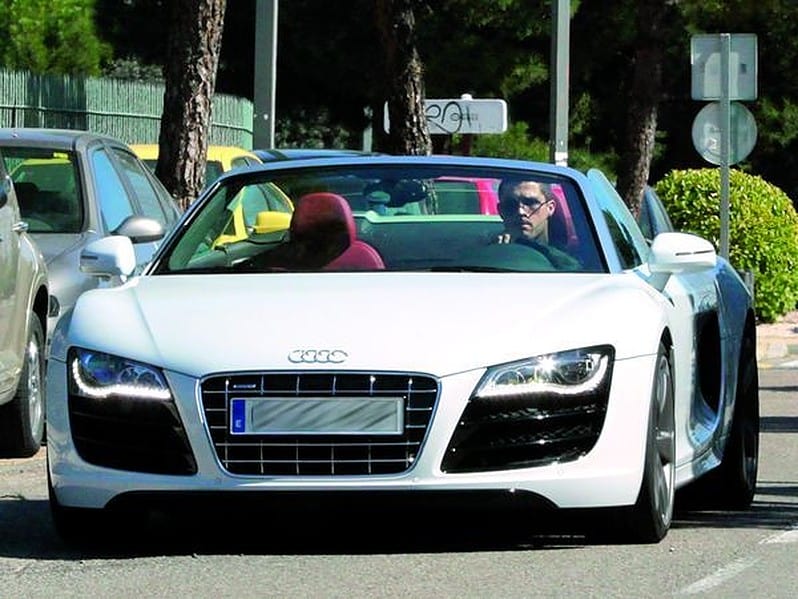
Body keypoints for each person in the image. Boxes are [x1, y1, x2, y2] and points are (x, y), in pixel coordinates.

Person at [495, 178, 580, 270]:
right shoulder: (487, 252)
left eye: (531, 202)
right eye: (510, 204)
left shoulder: (575, 261)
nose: (521, 211)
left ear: (550, 208)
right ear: (500, 211)